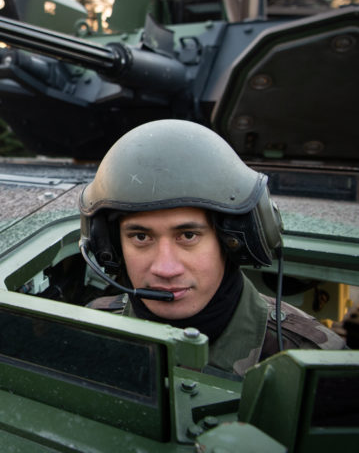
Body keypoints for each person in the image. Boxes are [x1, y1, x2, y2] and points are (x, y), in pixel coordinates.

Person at [79, 119, 344, 378]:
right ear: (110, 245)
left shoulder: (312, 362)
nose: (165, 268)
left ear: (234, 242)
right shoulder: (90, 328)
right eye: (140, 237)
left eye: (188, 235)